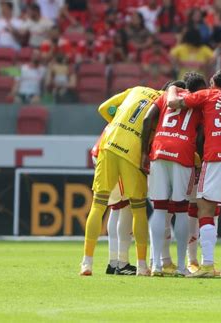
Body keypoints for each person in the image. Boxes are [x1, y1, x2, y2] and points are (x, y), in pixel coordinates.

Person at [167, 69, 221, 278]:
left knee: (205, 208)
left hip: (216, 157)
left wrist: (173, 89)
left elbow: (174, 103)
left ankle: (208, 265)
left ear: (212, 83)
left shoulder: (209, 94)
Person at [79, 86, 162, 277]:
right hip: (131, 152)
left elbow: (103, 108)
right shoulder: (165, 101)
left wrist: (118, 123)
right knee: (136, 209)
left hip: (106, 146)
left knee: (99, 206)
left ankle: (87, 263)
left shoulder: (137, 89)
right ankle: (138, 265)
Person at [141, 77, 206, 277]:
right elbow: (201, 134)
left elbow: (146, 120)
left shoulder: (166, 95)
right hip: (183, 154)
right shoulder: (197, 102)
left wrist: (144, 152)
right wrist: (201, 158)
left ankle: (157, 266)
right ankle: (180, 266)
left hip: (159, 151)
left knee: (159, 209)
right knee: (181, 210)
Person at [90, 127, 135, 275]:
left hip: (102, 151)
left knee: (116, 206)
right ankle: (121, 263)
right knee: (126, 206)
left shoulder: (122, 110)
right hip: (114, 152)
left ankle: (114, 262)